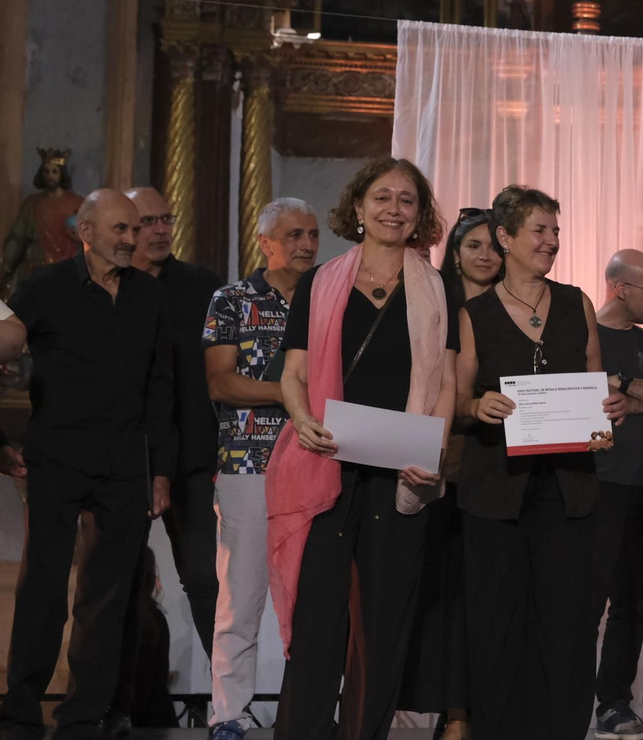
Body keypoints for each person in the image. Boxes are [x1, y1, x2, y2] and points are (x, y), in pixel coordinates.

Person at [266, 158, 457, 740]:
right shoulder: (321, 282)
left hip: (401, 473)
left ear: (420, 215)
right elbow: (292, 374)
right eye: (382, 197)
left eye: (406, 200)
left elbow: (446, 382)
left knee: (382, 625)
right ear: (358, 207)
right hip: (327, 465)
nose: (393, 208)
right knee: (318, 619)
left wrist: (434, 452)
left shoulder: (438, 286)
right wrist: (301, 421)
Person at [0, 190, 174, 740]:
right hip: (57, 461)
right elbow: (5, 346)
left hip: (125, 465)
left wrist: (161, 470)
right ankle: (21, 711)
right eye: (121, 229)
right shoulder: (47, 287)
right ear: (88, 233)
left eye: (136, 229)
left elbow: (161, 387)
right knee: (43, 590)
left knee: (106, 598)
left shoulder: (150, 296)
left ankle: (81, 718)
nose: (131, 239)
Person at [454, 186, 619, 740]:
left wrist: (608, 414)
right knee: (497, 623)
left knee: (568, 623)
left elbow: (596, 388)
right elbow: (453, 401)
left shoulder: (577, 303)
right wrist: (477, 405)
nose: (552, 241)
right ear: (506, 238)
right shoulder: (473, 312)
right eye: (540, 231)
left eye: (555, 230)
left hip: (569, 491)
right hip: (495, 493)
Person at [202, 198, 320, 740]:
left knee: (312, 595)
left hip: (315, 459)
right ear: (266, 243)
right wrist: (291, 393)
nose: (306, 244)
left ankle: (309, 710)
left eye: (313, 234)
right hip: (248, 460)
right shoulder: (232, 299)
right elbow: (221, 383)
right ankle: (229, 713)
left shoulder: (328, 299)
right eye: (293, 234)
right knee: (242, 592)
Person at [115, 187, 224, 722]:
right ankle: (121, 704)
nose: (159, 230)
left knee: (204, 580)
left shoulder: (206, 288)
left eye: (165, 219)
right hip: (124, 457)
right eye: (146, 221)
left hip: (194, 458)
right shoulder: (110, 288)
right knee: (116, 584)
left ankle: (230, 703)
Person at [401, 207, 500, 740]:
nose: (485, 256)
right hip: (439, 469)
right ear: (454, 252)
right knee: (446, 598)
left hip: (504, 471)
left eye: (493, 246)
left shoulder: (523, 306)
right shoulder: (432, 303)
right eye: (473, 245)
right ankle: (453, 712)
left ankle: (473, 712)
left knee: (487, 598)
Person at [593, 249, 643, 740]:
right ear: (621, 289)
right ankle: (561, 695)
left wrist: (627, 387)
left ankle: (613, 704)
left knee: (631, 603)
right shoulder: (584, 337)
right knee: (580, 602)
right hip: (595, 484)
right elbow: (580, 392)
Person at [0, 147, 85, 296]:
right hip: (36, 267)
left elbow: (91, 239)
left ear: (62, 174)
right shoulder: (33, 203)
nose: (49, 176)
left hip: (68, 270)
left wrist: (80, 240)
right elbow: (18, 238)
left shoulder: (78, 203)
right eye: (46, 171)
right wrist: (7, 268)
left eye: (54, 171)